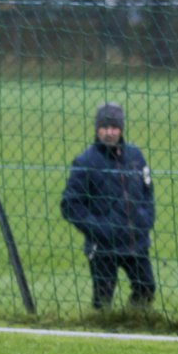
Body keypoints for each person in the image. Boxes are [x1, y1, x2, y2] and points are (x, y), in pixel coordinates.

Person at [60, 102, 156, 309]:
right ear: (97, 129)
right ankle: (103, 330)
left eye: (114, 127)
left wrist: (145, 219)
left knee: (147, 288)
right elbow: (69, 204)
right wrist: (99, 228)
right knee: (102, 301)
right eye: (104, 127)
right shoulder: (85, 162)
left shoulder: (135, 156)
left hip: (136, 242)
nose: (109, 133)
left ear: (121, 129)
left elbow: (148, 190)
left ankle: (133, 322)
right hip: (103, 247)